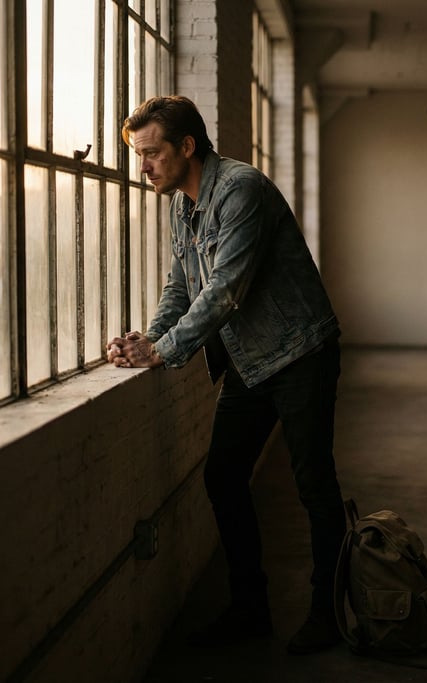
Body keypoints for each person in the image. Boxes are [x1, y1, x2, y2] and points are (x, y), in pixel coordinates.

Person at [106, 95, 346, 655]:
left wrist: (165, 351)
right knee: (223, 476)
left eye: (152, 153)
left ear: (187, 146)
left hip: (300, 352)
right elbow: (182, 284)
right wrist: (149, 337)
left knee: (314, 484)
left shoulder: (242, 189)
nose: (143, 167)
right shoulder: (182, 204)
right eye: (139, 155)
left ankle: (328, 613)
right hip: (250, 361)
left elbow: (224, 291)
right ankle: (250, 610)